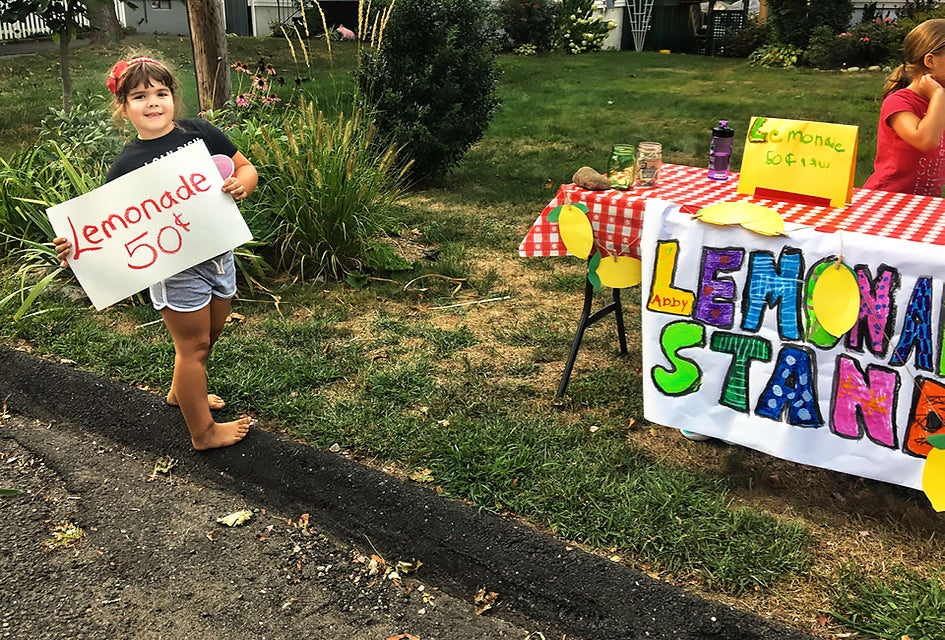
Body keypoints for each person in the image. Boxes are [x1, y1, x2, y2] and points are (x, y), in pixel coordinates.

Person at [54, 55, 259, 450]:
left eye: (161, 93)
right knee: (193, 347)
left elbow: (244, 167)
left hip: (218, 256)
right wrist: (74, 244)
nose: (153, 102)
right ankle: (203, 432)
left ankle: (181, 392)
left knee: (210, 334)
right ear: (124, 107)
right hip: (174, 268)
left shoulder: (200, 132)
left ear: (172, 98)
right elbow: (108, 228)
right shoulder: (127, 165)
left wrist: (241, 184)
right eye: (140, 96)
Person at [864, 19, 945, 196]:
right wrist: (938, 95)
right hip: (887, 199)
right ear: (930, 60)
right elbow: (925, 140)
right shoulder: (899, 102)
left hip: (925, 202)